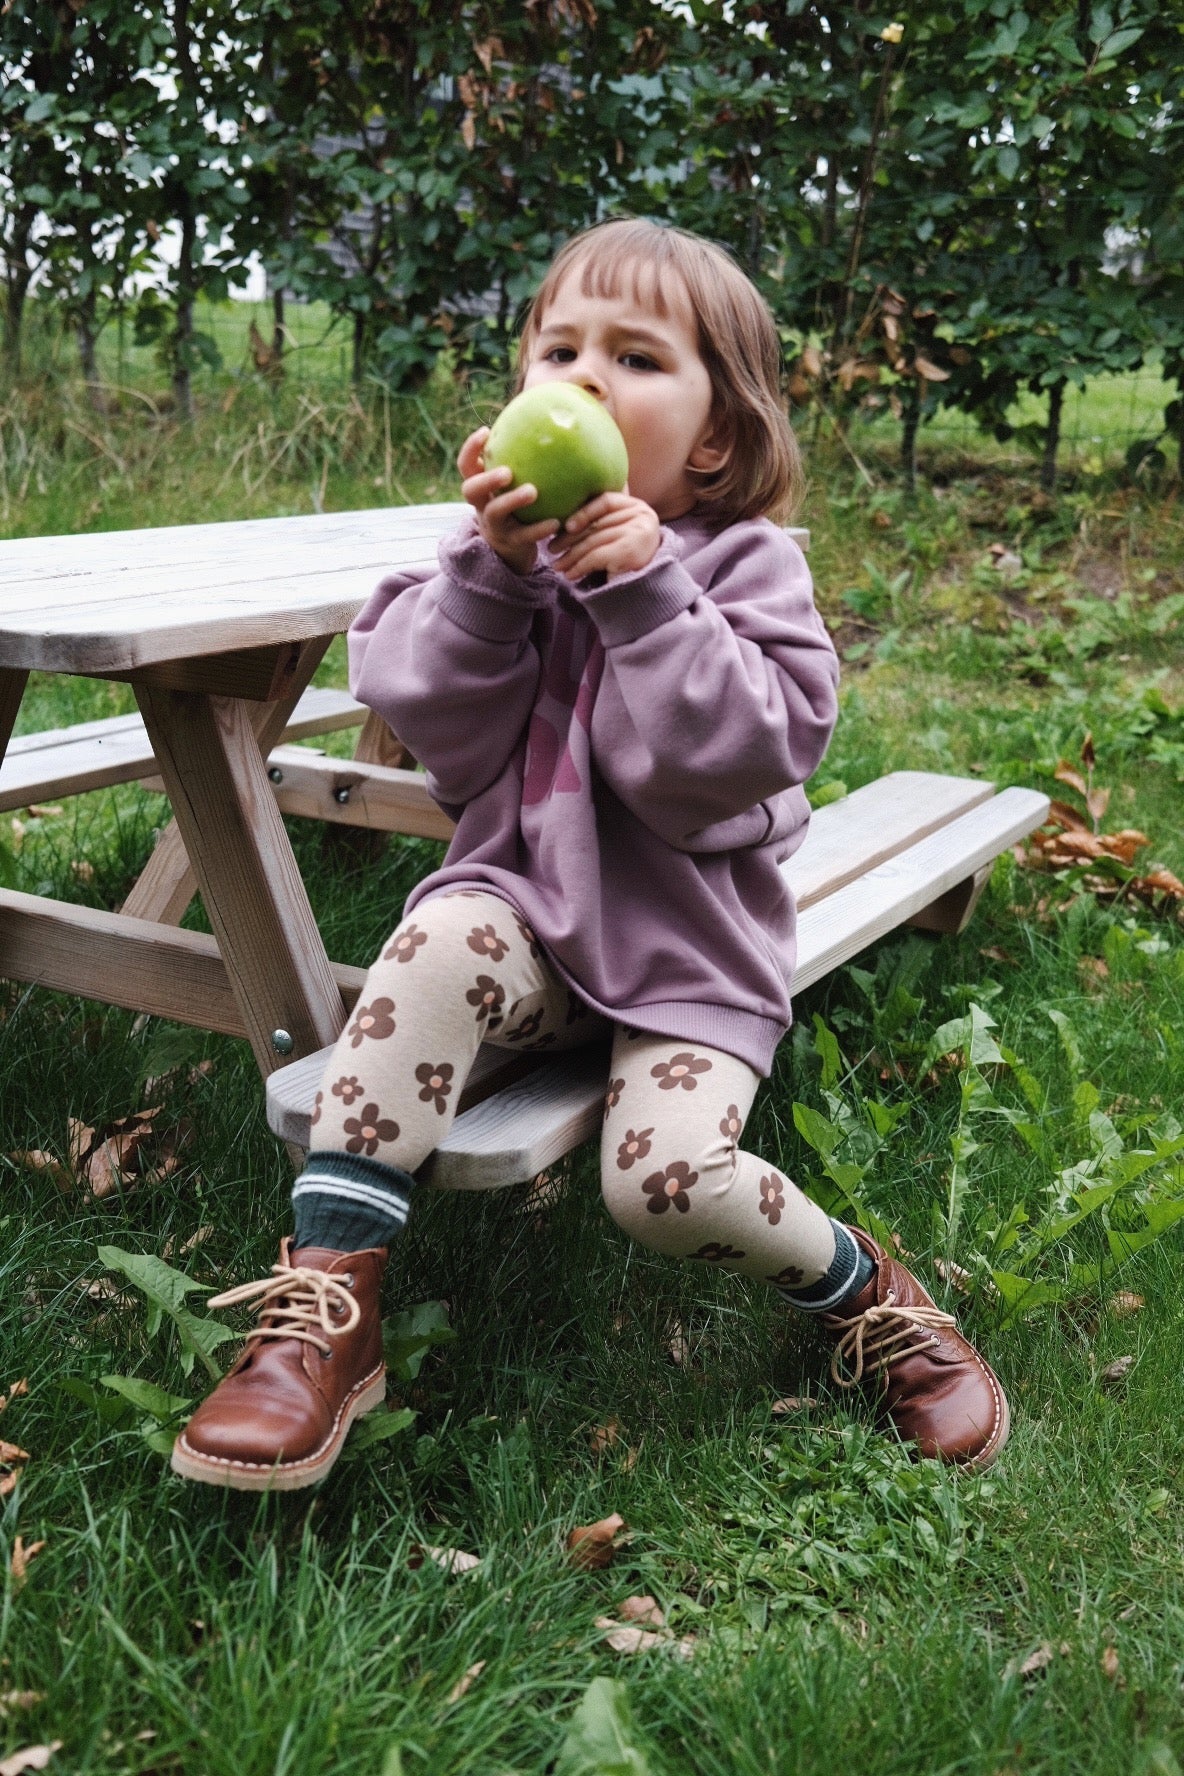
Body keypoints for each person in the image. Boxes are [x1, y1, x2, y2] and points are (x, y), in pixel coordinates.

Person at [171, 218, 1009, 1491]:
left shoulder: (746, 570)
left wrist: (642, 592)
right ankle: (326, 1308)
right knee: (440, 930)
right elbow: (423, 714)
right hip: (532, 924)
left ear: (714, 434)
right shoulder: (498, 565)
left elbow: (725, 758)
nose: (578, 381)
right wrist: (495, 577)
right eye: (556, 348)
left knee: (664, 1190)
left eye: (631, 355)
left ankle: (864, 1291)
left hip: (688, 952)